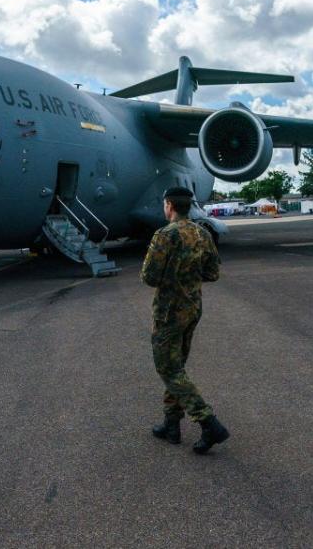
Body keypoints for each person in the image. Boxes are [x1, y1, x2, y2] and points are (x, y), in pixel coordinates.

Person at [140, 186, 229, 454]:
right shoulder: (202, 233)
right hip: (192, 309)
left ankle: (208, 422)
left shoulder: (165, 235)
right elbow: (213, 273)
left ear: (169, 205)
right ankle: (171, 425)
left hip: (168, 312)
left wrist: (172, 277)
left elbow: (150, 277)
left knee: (169, 370)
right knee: (176, 367)